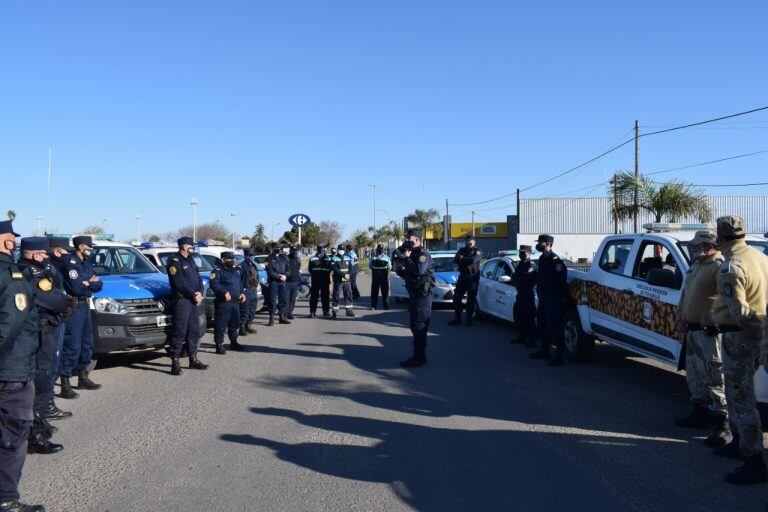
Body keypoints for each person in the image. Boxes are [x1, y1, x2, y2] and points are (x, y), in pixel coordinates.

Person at [704, 216, 768, 484]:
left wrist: (754, 336)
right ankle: (739, 442)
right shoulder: (759, 257)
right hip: (754, 335)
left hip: (741, 338)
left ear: (720, 238)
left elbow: (740, 313)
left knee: (742, 399)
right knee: (735, 393)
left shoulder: (731, 267)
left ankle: (755, 460)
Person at [0, 221, 47, 512]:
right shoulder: (11, 275)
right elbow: (10, 325)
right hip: (11, 370)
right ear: (7, 244)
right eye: (9, 240)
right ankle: (5, 498)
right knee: (13, 435)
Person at [674, 231, 730, 447]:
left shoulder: (719, 266)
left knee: (715, 379)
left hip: (710, 334)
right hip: (693, 331)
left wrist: (714, 317)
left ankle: (723, 426)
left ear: (710, 245)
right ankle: (700, 413)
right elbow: (685, 294)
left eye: (698, 246)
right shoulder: (696, 266)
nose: (695, 250)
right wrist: (681, 315)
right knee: (695, 375)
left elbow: (727, 298)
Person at [19, 237, 68, 455]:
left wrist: (60, 298)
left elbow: (59, 290)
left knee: (46, 377)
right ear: (36, 253)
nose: (47, 257)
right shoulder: (26, 272)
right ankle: (33, 435)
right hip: (39, 329)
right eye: (44, 253)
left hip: (49, 327)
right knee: (40, 379)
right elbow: (52, 300)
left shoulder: (44, 268)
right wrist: (61, 300)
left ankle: (38, 423)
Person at [59, 235, 103, 398]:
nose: (92, 249)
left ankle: (83, 377)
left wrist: (89, 284)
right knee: (73, 344)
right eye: (90, 246)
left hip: (85, 304)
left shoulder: (86, 263)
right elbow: (76, 288)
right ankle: (65, 383)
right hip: (75, 306)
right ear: (81, 246)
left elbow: (99, 284)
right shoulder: (70, 263)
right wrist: (88, 284)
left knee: (87, 342)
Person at [43, 237, 75, 421]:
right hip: (51, 321)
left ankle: (48, 404)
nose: (68, 255)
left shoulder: (56, 267)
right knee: (50, 363)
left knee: (54, 361)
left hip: (59, 318)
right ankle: (46, 406)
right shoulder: (48, 268)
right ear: (56, 252)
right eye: (66, 252)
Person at [166, 237, 208, 376]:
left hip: (193, 300)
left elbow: (199, 278)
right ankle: (175, 362)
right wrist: (193, 294)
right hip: (182, 301)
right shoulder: (175, 261)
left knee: (193, 330)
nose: (192, 247)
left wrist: (200, 293)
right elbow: (179, 283)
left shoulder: (191, 260)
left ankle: (193, 359)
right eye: (191, 245)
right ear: (184, 246)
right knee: (180, 331)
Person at [397, 229, 435, 367]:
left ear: (417, 240)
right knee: (415, 325)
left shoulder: (423, 254)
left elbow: (420, 270)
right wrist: (402, 271)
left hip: (422, 295)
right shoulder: (413, 254)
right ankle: (419, 354)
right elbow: (412, 272)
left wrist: (407, 258)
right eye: (406, 238)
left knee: (419, 325)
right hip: (414, 294)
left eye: (409, 238)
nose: (407, 240)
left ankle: (418, 357)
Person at [529, 234, 569, 366]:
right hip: (543, 296)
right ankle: (544, 350)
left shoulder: (555, 260)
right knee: (543, 323)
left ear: (548, 244)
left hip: (553, 296)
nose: (538, 245)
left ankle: (559, 356)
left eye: (541, 243)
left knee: (554, 326)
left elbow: (561, 280)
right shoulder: (541, 258)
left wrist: (558, 296)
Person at [210, 251, 246, 354]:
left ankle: (233, 342)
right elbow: (214, 284)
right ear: (223, 260)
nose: (232, 262)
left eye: (233, 260)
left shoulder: (234, 271)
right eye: (230, 260)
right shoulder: (217, 271)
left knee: (234, 323)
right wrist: (224, 291)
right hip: (224, 303)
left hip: (235, 302)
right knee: (221, 324)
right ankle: (219, 345)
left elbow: (239, 283)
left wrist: (242, 293)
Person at [449, 234, 482, 326]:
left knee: (471, 298)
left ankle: (469, 319)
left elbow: (473, 260)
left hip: (472, 277)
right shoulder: (462, 250)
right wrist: (465, 259)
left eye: (469, 240)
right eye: (466, 240)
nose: (467, 242)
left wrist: (463, 258)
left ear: (474, 241)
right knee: (457, 297)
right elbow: (455, 260)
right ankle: (457, 318)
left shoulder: (477, 251)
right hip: (463, 276)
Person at [510, 245, 538, 346]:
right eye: (521, 253)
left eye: (524, 253)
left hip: (528, 293)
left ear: (529, 253)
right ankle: (522, 336)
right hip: (520, 293)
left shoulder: (532, 265)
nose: (522, 254)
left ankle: (531, 339)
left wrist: (520, 280)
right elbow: (514, 277)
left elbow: (526, 276)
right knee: (518, 315)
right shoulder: (520, 264)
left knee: (529, 317)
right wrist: (517, 282)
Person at [266, 244, 291, 326]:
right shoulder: (269, 258)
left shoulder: (284, 257)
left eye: (279, 248)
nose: (278, 249)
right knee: (272, 300)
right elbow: (269, 271)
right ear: (273, 248)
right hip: (274, 282)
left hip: (283, 282)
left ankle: (282, 317)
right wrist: (278, 276)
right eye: (276, 248)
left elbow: (288, 269)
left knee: (283, 300)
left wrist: (285, 276)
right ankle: (271, 318)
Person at [238, 249, 260, 336]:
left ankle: (248, 325)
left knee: (252, 310)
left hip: (253, 290)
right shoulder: (242, 266)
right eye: (250, 255)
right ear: (245, 256)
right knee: (244, 310)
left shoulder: (254, 265)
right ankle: (242, 328)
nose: (252, 256)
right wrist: (241, 292)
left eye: (253, 255)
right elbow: (239, 280)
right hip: (246, 290)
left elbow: (256, 276)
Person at [331, 244, 355, 318]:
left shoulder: (348, 257)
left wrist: (348, 275)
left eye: (342, 249)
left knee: (348, 295)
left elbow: (351, 268)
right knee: (336, 296)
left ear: (344, 250)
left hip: (347, 280)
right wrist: (344, 275)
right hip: (338, 280)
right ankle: (335, 312)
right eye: (340, 249)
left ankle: (349, 311)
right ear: (337, 250)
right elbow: (335, 269)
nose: (341, 251)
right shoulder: (334, 258)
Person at [308, 245, 332, 318]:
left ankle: (326, 311)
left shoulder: (328, 258)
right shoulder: (312, 259)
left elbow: (330, 268)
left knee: (325, 297)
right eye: (320, 250)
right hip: (316, 280)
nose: (321, 251)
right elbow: (310, 269)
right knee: (314, 297)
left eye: (322, 250)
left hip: (325, 280)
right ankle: (312, 312)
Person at [369, 244, 392, 310]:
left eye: (381, 249)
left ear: (383, 250)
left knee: (385, 291)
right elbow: (370, 266)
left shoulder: (387, 257)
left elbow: (389, 267)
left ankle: (386, 305)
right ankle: (374, 306)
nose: (380, 250)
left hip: (384, 277)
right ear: (377, 249)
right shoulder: (373, 257)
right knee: (374, 292)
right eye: (379, 249)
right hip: (375, 277)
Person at [285, 245, 301, 319]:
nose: (294, 252)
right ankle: (285, 313)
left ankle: (290, 313)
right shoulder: (286, 258)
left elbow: (298, 268)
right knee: (286, 298)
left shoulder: (297, 259)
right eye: (293, 251)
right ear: (290, 251)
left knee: (293, 299)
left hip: (295, 282)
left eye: (295, 251)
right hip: (287, 282)